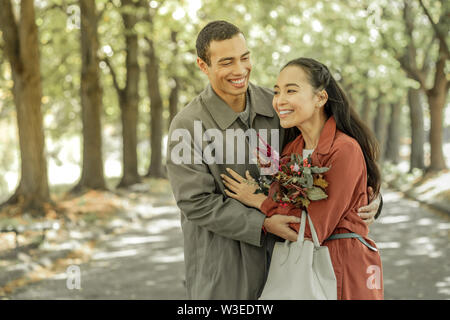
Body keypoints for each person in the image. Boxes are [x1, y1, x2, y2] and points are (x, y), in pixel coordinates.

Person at [166, 20, 382, 300]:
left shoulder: (279, 107)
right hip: (225, 271)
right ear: (203, 66)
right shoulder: (186, 126)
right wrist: (262, 224)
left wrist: (370, 196)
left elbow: (327, 155)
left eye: (245, 58)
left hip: (292, 265)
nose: (240, 70)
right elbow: (194, 202)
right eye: (226, 62)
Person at [222, 57, 384, 299]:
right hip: (299, 266)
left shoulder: (344, 149)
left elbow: (311, 230)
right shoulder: (291, 150)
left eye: (291, 90)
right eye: (277, 92)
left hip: (343, 269)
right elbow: (288, 208)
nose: (279, 100)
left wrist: (257, 200)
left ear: (320, 98)